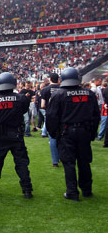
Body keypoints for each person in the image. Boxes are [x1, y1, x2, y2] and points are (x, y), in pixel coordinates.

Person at [46, 67, 100, 201]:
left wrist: (54, 134)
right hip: (84, 132)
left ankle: (72, 191)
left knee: (69, 163)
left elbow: (51, 116)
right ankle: (87, 190)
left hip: (66, 133)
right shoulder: (89, 94)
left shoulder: (58, 94)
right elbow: (95, 116)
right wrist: (92, 133)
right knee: (84, 162)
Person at [0, 72, 33, 199]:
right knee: (21, 163)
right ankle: (27, 190)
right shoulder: (21, 98)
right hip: (17, 135)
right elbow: (24, 110)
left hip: (0, 136)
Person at [40, 73, 61, 167]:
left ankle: (55, 161)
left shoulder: (45, 89)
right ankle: (63, 156)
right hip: (62, 116)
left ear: (50, 79)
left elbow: (42, 105)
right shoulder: (62, 89)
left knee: (52, 137)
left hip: (50, 116)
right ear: (58, 79)